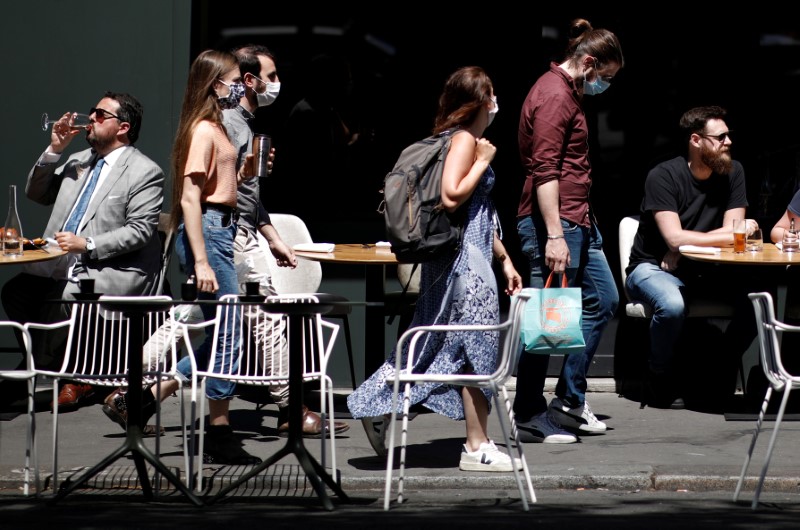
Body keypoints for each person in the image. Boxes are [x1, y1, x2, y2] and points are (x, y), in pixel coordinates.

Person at [101, 44, 348, 439]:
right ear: (241, 82)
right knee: (255, 322)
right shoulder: (226, 123)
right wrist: (206, 254)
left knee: (216, 330)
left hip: (233, 231)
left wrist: (269, 230)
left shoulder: (239, 124)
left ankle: (139, 397)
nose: (276, 84)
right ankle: (287, 407)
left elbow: (243, 193)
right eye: (270, 76)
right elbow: (198, 194)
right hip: (226, 235)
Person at [348, 66, 525, 472]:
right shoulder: (464, 139)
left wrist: (504, 258)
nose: (497, 103)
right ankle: (475, 446)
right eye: (493, 95)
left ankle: (390, 407)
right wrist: (483, 161)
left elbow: (478, 211)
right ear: (480, 101)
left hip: (469, 255)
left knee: (451, 347)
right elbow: (451, 197)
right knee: (472, 347)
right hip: (463, 262)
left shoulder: (459, 139)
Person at [0, 92, 164, 410]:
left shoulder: (145, 171)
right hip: (61, 260)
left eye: (101, 115)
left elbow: (140, 231)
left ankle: (46, 376)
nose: (91, 118)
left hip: (111, 268)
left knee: (65, 296)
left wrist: (87, 244)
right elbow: (37, 193)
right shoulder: (78, 162)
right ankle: (53, 370)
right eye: (92, 112)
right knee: (15, 292)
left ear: (123, 127)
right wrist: (55, 150)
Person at [514, 18, 623, 444]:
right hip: (557, 224)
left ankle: (568, 398)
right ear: (589, 63)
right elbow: (545, 171)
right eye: (606, 77)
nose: (605, 86)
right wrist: (555, 235)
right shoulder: (555, 96)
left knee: (604, 299)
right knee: (547, 317)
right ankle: (527, 410)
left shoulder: (568, 91)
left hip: (580, 219)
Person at [625, 105, 762, 409]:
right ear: (696, 141)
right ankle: (657, 373)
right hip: (651, 267)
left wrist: (685, 250)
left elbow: (733, 235)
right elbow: (675, 237)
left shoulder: (733, 172)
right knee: (672, 305)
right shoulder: (663, 175)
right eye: (720, 137)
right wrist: (683, 246)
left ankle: (720, 369)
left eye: (729, 135)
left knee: (758, 301)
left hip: (706, 268)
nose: (728, 142)